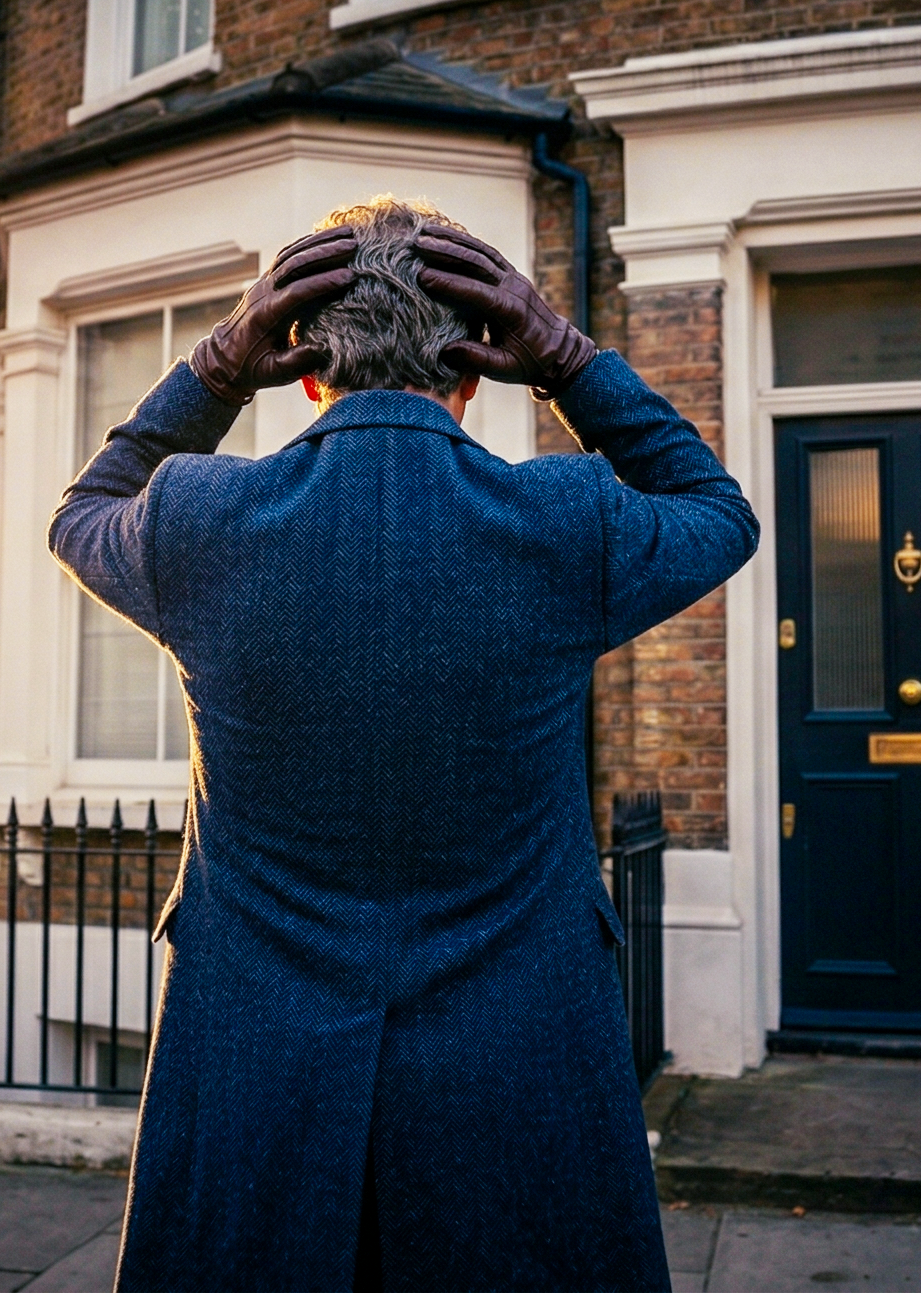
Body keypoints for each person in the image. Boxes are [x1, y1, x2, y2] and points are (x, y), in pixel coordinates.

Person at [51, 198, 757, 1291]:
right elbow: (718, 511)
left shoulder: (194, 518)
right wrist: (568, 360)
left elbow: (83, 509)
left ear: (309, 368)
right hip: (518, 1054)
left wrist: (219, 365)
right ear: (474, 369)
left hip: (256, 1053)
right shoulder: (570, 519)